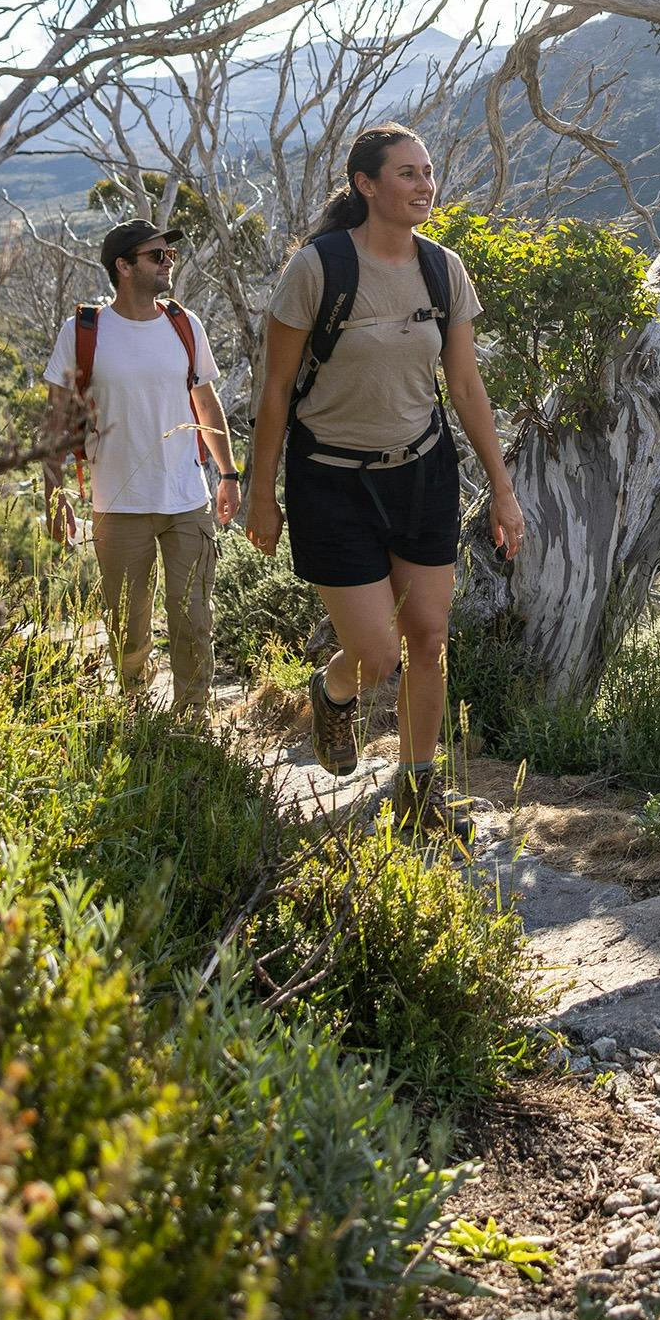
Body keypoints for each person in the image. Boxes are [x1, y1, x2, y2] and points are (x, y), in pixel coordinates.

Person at [244, 124, 523, 825]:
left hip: (422, 471)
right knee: (376, 652)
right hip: (330, 479)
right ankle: (334, 690)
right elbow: (276, 389)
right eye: (406, 173)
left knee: (428, 635)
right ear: (366, 184)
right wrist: (261, 493)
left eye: (428, 171)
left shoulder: (443, 268)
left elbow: (465, 385)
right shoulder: (318, 268)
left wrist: (502, 487)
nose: (424, 184)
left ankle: (418, 793)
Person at [42, 218, 240, 714]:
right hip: (118, 502)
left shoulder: (184, 324)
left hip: (187, 498)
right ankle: (135, 711)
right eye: (156, 256)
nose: (167, 262)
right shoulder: (82, 332)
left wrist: (229, 474)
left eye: (169, 255)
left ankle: (193, 720)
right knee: (128, 630)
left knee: (194, 619)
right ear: (124, 267)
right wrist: (54, 493)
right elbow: (56, 419)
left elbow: (206, 402)